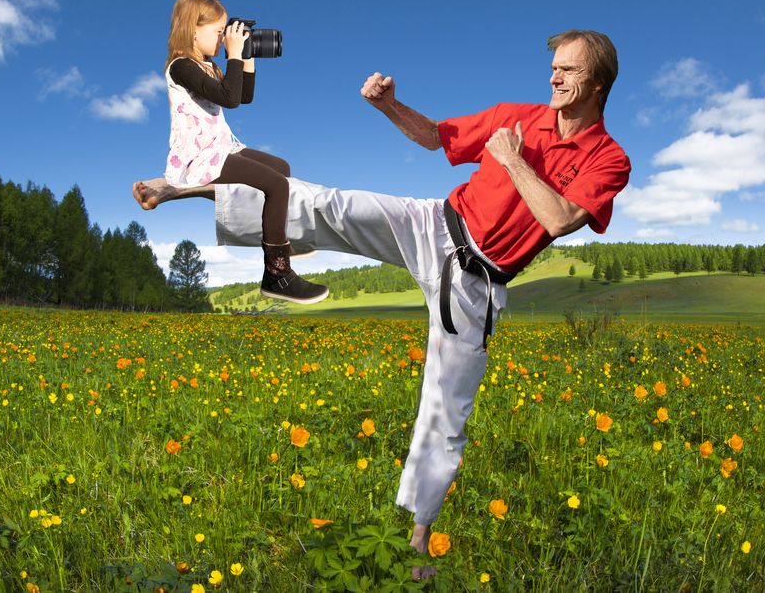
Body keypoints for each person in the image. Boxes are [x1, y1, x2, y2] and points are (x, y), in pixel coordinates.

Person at [156, 29, 630, 580]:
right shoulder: (518, 116)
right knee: (334, 206)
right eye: (553, 66)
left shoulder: (609, 159)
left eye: (568, 70)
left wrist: (512, 161)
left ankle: (419, 539)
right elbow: (436, 137)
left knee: (446, 413)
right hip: (435, 225)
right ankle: (193, 186)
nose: (554, 77)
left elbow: (559, 219)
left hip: (478, 283)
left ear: (597, 82)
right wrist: (388, 106)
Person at [133, 0, 328, 305]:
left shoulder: (207, 65)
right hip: (199, 155)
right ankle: (277, 275)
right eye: (218, 32)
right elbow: (229, 99)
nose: (223, 39)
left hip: (221, 146)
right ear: (193, 30)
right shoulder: (181, 66)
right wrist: (234, 55)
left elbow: (243, 96)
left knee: (282, 170)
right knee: (276, 186)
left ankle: (274, 236)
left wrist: (245, 57)